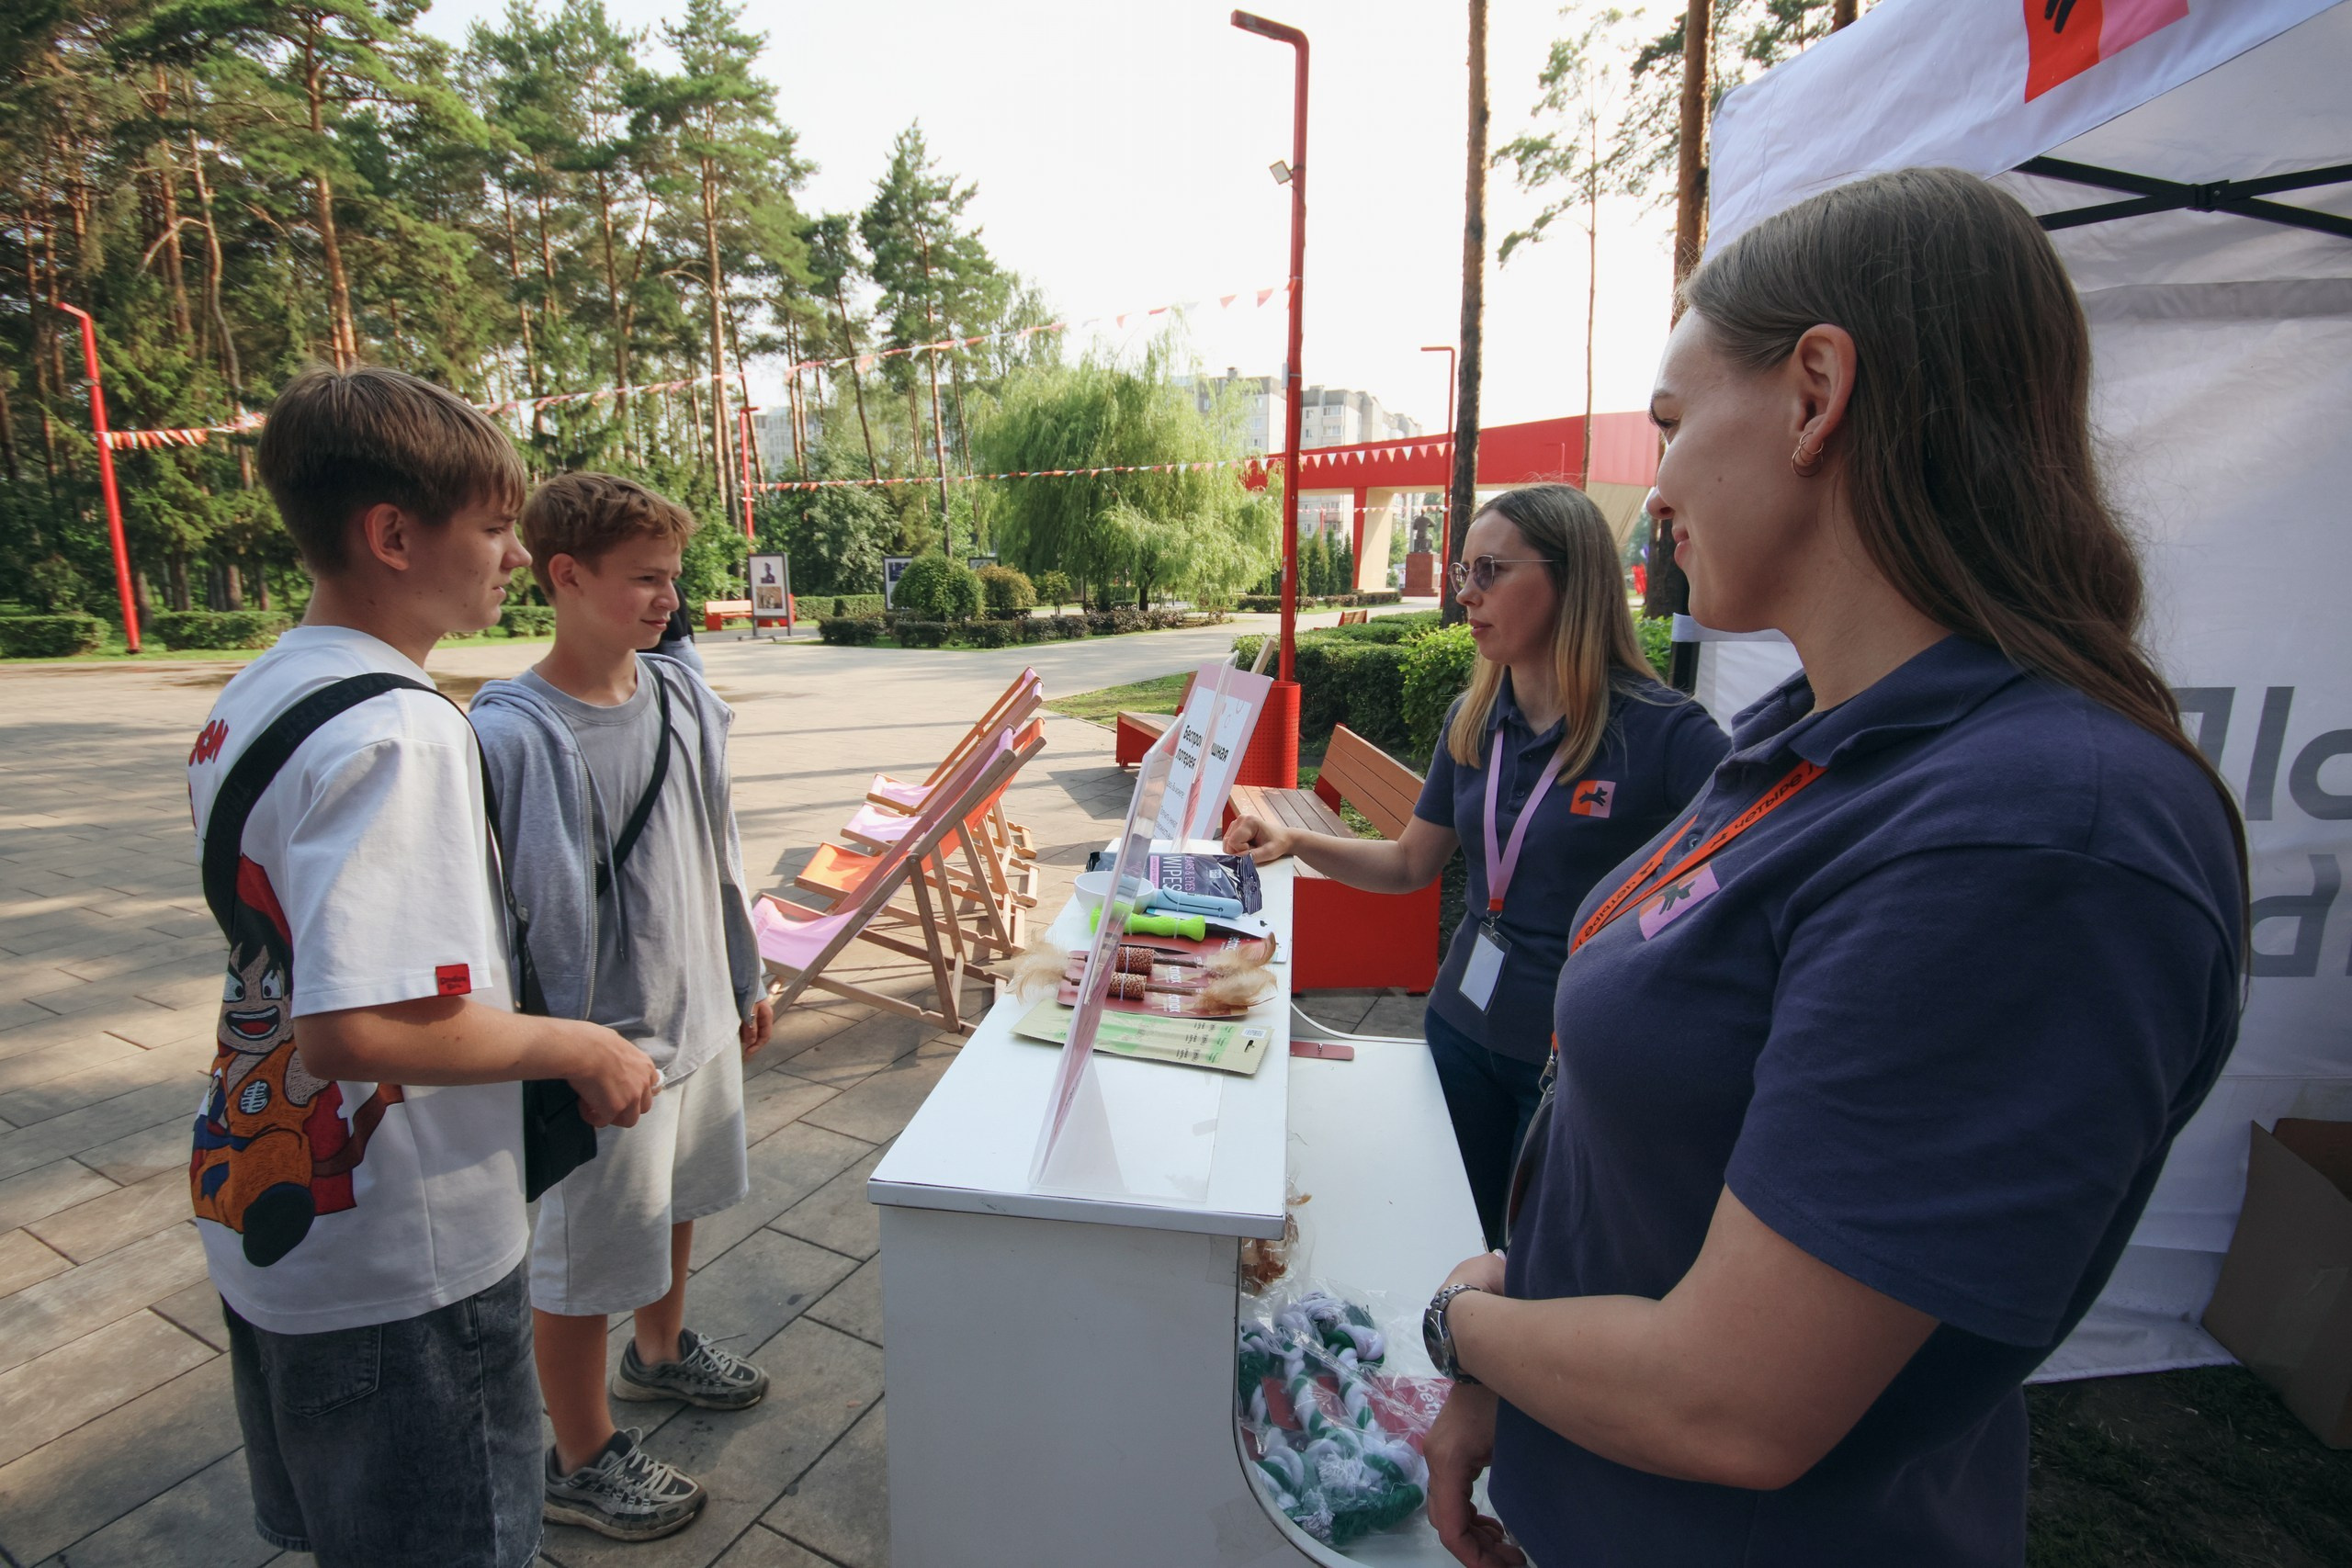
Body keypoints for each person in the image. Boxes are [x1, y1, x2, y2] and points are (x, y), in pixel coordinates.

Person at [1417, 168, 2246, 1568]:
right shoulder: (1817, 744)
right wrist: (1516, 1352)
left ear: (1815, 394)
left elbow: (1734, 1399)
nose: (1657, 485)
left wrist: (1459, 1319)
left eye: (1674, 423)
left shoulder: (2031, 833)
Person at [187, 366, 662, 1568]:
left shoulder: (255, 694)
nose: (515, 553)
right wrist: (583, 1043)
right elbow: (358, 1028)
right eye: (495, 525)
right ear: (392, 534)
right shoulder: (399, 726)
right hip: (407, 1254)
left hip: (275, 1212)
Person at [1224, 484, 1727, 1247]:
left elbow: (1746, 870)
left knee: (1531, 1267)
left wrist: (1646, 957)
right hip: (1459, 1029)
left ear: (1571, 578)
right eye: (1464, 573)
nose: (1467, 596)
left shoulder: (1665, 734)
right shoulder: (1474, 718)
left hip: (1571, 1063)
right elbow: (1409, 863)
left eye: (1490, 570)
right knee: (1444, 1237)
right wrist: (1297, 842)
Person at [470, 472, 774, 1543]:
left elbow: (718, 848)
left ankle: (661, 1352)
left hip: (696, 1014)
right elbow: (491, 919)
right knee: (581, 1259)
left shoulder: (678, 692)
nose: (667, 600)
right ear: (566, 577)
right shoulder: (508, 732)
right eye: (645, 580)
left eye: (671, 579)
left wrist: (745, 975)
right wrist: (549, 1050)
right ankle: (579, 1451)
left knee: (675, 1204)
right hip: (599, 1048)